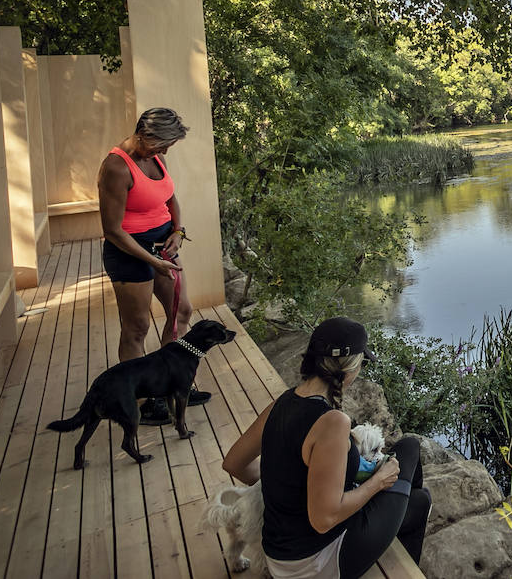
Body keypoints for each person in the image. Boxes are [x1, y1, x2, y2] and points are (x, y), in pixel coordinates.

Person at [222, 317, 431, 578]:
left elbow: (233, 463)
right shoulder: (332, 422)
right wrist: (378, 482)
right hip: (315, 564)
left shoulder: (282, 403)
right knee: (410, 447)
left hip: (279, 557)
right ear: (349, 368)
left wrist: (288, 482)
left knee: (420, 503)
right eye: (361, 363)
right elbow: (324, 520)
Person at [98, 106, 207, 425]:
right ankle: (140, 401)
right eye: (163, 144)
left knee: (181, 311)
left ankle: (172, 385)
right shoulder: (116, 166)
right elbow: (112, 229)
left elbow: (169, 197)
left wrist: (178, 231)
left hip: (163, 245)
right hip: (130, 251)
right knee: (137, 328)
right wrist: (152, 261)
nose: (166, 150)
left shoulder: (156, 156)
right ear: (146, 134)